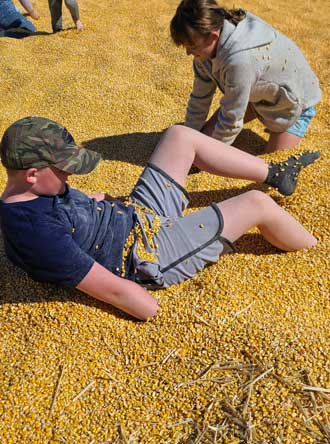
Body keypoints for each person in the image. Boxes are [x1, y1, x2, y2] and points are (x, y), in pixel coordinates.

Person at [0, 117, 319, 320]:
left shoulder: (39, 190)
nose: (70, 175)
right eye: (65, 169)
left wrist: (94, 201)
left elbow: (70, 210)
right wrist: (156, 316)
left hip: (135, 216)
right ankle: (315, 255)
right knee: (255, 203)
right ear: (31, 174)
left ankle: (275, 173)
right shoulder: (37, 234)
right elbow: (112, 290)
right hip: (146, 253)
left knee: (180, 136)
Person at [170, 0, 322, 153]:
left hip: (292, 104)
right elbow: (199, 99)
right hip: (256, 93)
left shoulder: (239, 61)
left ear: (213, 36)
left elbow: (231, 121)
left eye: (192, 46)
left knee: (275, 167)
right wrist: (188, 137)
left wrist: (209, 155)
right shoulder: (202, 55)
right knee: (200, 141)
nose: (188, 53)